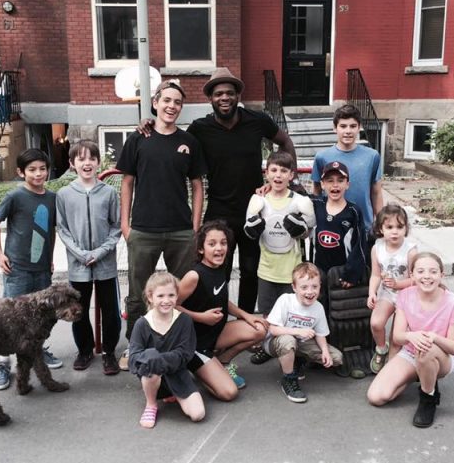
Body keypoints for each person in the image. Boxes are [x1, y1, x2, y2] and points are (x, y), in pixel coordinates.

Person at [188, 68, 299, 314]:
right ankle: (216, 320)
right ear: (210, 99)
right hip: (219, 211)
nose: (224, 97)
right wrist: (151, 121)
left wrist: (284, 177)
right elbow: (174, 142)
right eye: (218, 94)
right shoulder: (200, 128)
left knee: (250, 270)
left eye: (229, 92)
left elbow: (285, 141)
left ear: (238, 95)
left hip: (254, 209)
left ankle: (246, 319)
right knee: (217, 270)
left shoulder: (256, 121)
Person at [116, 80, 207, 370]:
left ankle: (182, 344)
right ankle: (134, 346)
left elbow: (197, 185)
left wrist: (195, 226)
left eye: (177, 102)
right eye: (166, 100)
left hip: (180, 230)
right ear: (155, 103)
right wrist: (125, 225)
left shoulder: (189, 142)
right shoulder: (138, 139)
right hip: (143, 229)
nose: (171, 106)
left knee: (181, 292)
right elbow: (127, 182)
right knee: (137, 292)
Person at [0, 148, 63, 391]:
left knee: (40, 315)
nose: (38, 173)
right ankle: (1, 363)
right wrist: (0, 254)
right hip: (17, 269)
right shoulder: (15, 197)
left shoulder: (52, 198)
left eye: (42, 169)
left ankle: (38, 351)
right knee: (9, 318)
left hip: (41, 269)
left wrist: (50, 259)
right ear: (21, 172)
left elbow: (50, 232)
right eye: (32, 170)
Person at [366, 252, 454, 428]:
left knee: (426, 349)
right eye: (420, 271)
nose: (427, 276)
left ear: (442, 275)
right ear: (412, 275)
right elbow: (397, 336)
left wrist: (434, 338)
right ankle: (422, 373)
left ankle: (428, 398)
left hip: (442, 356)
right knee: (377, 397)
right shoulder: (405, 295)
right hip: (411, 352)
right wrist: (410, 335)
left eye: (433, 271)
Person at [178, 220, 268, 397]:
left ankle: (222, 361)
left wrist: (246, 315)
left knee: (259, 328)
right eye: (212, 244)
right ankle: (198, 369)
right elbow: (170, 307)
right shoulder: (194, 276)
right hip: (196, 343)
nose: (219, 248)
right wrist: (200, 317)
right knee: (229, 393)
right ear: (201, 249)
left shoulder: (220, 268)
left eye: (223, 243)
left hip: (216, 334)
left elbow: (221, 299)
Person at [56, 140, 122, 374]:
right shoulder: (64, 194)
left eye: (91, 158)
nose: (87, 163)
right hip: (78, 265)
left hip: (105, 264)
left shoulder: (109, 193)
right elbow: (62, 229)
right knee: (78, 310)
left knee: (110, 310)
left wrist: (100, 252)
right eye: (81, 159)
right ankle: (84, 351)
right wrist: (81, 254)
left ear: (98, 162)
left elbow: (116, 227)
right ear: (72, 164)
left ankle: (109, 352)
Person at [128, 272, 205, 429]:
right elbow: (133, 358)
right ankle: (151, 404)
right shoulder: (142, 324)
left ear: (177, 297)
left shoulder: (184, 320)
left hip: (177, 372)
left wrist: (159, 360)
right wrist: (152, 360)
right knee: (150, 361)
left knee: (198, 414)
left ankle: (173, 393)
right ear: (150, 297)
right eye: (160, 295)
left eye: (171, 295)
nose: (166, 300)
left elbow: (186, 353)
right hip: (152, 375)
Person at [244, 150, 315, 317]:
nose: (278, 175)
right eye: (274, 170)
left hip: (291, 271)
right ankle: (270, 343)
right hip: (266, 270)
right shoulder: (258, 200)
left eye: (284, 171)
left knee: (292, 315)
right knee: (267, 315)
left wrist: (302, 230)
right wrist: (253, 228)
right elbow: (249, 232)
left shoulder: (300, 202)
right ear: (266, 172)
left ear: (291, 175)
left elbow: (309, 232)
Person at [264, 262, 344, 403]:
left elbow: (320, 334)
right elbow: (273, 329)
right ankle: (289, 379)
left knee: (336, 358)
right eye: (304, 287)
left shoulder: (318, 308)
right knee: (288, 341)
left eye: (315, 286)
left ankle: (297, 361)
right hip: (276, 343)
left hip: (301, 344)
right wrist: (298, 331)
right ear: (294, 287)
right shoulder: (285, 300)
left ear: (320, 286)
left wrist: (325, 351)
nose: (310, 291)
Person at [312, 104, 383, 237]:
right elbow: (316, 192)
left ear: (359, 127)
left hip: (363, 226)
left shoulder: (372, 156)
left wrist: (380, 223)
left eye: (353, 126)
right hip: (331, 226)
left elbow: (376, 192)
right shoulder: (322, 157)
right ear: (335, 128)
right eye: (343, 126)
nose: (348, 131)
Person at [367, 204, 417, 374]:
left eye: (399, 227)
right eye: (389, 227)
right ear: (381, 229)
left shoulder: (410, 251)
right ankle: (381, 348)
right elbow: (375, 274)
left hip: (406, 297)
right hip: (387, 294)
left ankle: (391, 370)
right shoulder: (377, 248)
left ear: (406, 228)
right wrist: (372, 292)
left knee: (397, 337)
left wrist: (398, 285)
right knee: (376, 323)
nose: (394, 231)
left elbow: (416, 280)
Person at [311, 160, 368, 309]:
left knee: (339, 309)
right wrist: (269, 187)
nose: (335, 185)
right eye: (330, 181)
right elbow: (291, 194)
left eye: (340, 180)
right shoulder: (316, 204)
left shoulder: (353, 211)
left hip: (341, 270)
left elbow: (360, 244)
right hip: (319, 269)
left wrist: (352, 273)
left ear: (347, 184)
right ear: (322, 184)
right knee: (320, 306)